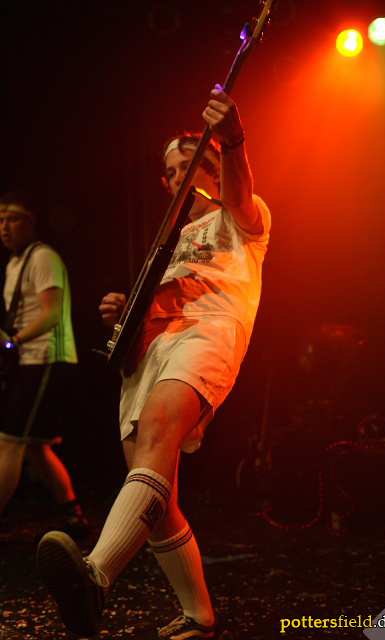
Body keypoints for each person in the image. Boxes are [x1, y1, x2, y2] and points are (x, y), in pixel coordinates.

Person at [37, 86, 271, 639]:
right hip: (149, 354)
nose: (174, 177)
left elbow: (240, 189)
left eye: (187, 164)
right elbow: (150, 309)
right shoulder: (166, 245)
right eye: (168, 172)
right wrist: (124, 312)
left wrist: (233, 140)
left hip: (206, 333)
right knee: (155, 489)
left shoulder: (242, 217)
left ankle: (95, 576)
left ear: (212, 169)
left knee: (159, 435)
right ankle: (199, 616)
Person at [0, 191, 89, 537]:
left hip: (48, 359)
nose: (5, 226)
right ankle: (74, 514)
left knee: (10, 441)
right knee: (36, 446)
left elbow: (52, 314)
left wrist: (12, 341)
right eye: (1, 219)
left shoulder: (42, 257)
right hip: (30, 361)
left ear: (31, 222)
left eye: (12, 218)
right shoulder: (14, 264)